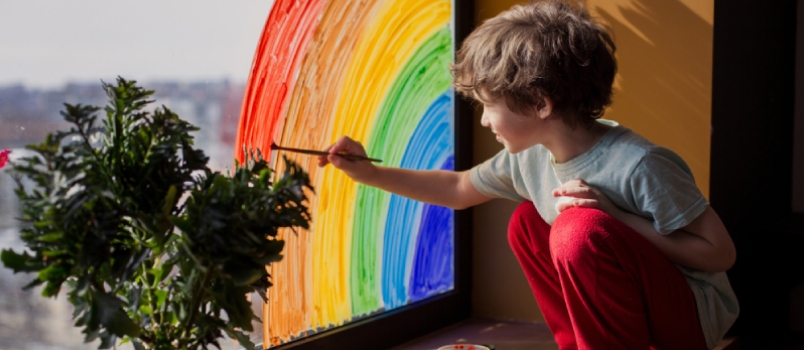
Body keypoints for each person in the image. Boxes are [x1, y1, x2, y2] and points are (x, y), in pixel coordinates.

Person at [317, 0, 739, 348]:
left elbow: (720, 254)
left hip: (688, 321)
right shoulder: (530, 156)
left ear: (539, 103)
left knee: (578, 230)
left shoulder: (639, 164)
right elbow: (460, 187)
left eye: (488, 105)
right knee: (527, 222)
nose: (483, 121)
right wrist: (368, 173)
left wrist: (618, 219)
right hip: (633, 309)